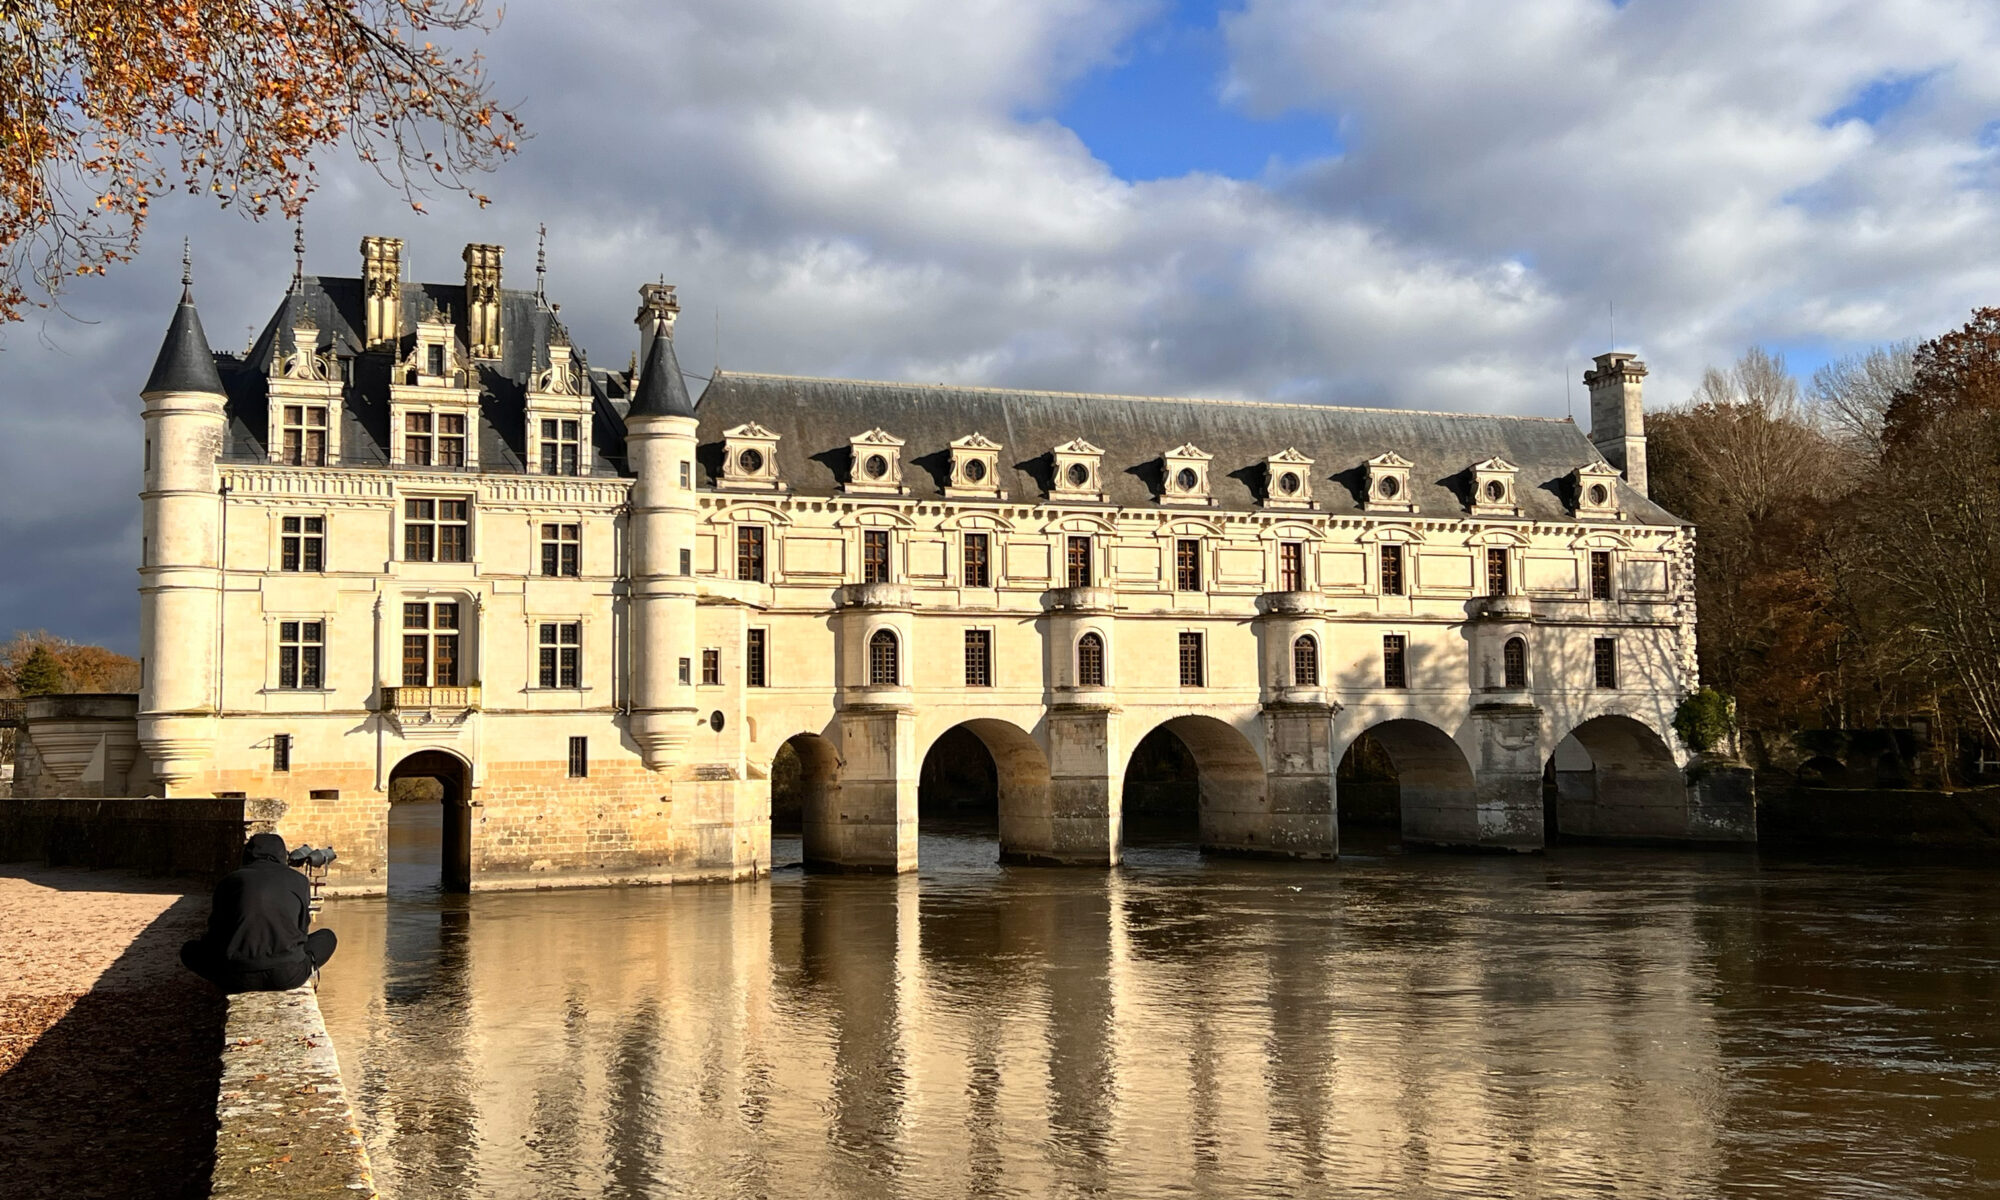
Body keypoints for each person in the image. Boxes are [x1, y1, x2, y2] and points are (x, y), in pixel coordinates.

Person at [179, 832, 336, 993]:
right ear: (281, 855)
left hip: (236, 977)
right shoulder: (299, 881)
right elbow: (302, 930)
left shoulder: (229, 881)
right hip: (286, 975)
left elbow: (215, 931)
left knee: (189, 950)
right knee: (327, 937)